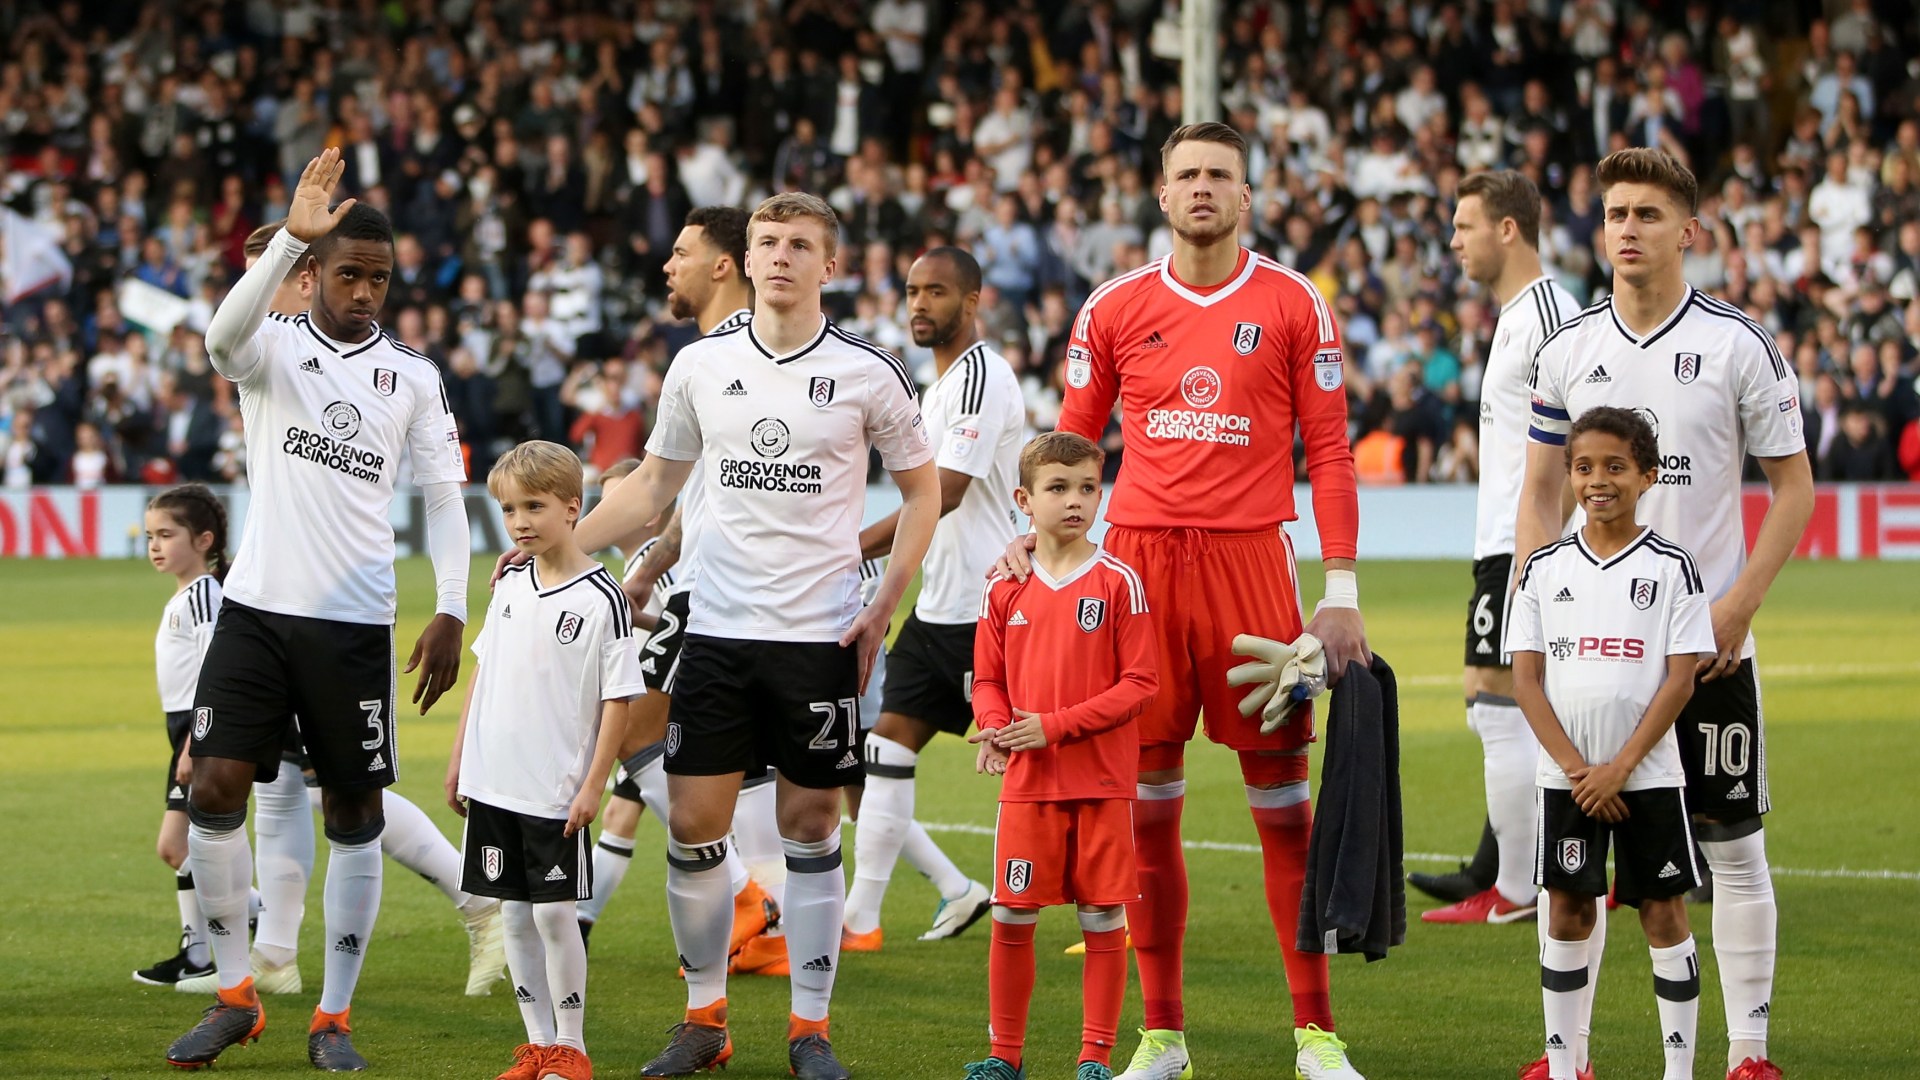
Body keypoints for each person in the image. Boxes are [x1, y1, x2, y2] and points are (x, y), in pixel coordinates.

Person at [537, 192, 939, 1080]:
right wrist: (560, 547)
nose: (783, 257)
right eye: (769, 243)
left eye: (802, 244)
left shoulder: (871, 373)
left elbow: (922, 492)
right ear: (747, 260)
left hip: (818, 637)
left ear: (830, 266)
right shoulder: (700, 367)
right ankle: (705, 1017)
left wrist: (887, 600)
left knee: (807, 822)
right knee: (691, 824)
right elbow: (649, 489)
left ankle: (810, 1031)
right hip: (715, 632)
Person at [1001, 122, 1369, 1080]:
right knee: (1147, 817)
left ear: (1246, 197)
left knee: (1283, 812)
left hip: (1254, 571)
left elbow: (1329, 451)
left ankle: (1317, 1039)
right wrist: (1037, 540)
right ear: (1161, 195)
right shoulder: (1115, 305)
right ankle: (1162, 1039)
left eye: (1221, 175)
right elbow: (1071, 444)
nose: (1203, 188)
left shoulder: (1295, 304)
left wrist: (1341, 593)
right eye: (1187, 175)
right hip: (1141, 575)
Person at [165, 150, 472, 1072]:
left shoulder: (414, 376)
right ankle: (233, 995)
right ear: (315, 270)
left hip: (352, 624)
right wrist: (284, 243)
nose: (366, 291)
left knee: (353, 811)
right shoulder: (275, 346)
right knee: (213, 789)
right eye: (348, 272)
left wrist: (453, 608)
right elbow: (220, 342)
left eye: (379, 277)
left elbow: (445, 499)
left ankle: (332, 1018)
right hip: (256, 613)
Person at [1519, 147, 1813, 1080]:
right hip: (1591, 658)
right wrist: (1536, 597)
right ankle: (1570, 1058)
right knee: (1575, 865)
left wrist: (1737, 605)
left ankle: (1748, 1054)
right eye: (1616, 214)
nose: (1629, 231)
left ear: (1687, 230)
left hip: (1710, 650)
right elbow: (1538, 494)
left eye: (1648, 214)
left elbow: (1794, 487)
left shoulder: (1738, 344)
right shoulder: (1568, 349)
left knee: (1731, 844)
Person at [577, 207, 784, 974]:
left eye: (681, 253)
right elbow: (688, 499)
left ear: (722, 266)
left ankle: (749, 898)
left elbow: (653, 489)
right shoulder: (718, 356)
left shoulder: (728, 356)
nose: (667, 267)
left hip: (729, 595)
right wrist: (648, 568)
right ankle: (754, 912)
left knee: (629, 733)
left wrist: (559, 550)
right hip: (709, 587)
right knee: (664, 750)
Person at [1509, 407, 1717, 1080]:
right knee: (1567, 912)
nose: (1598, 480)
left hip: (1648, 775)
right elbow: (1527, 681)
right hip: (1566, 780)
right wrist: (1577, 770)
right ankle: (1567, 1066)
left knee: (1662, 912)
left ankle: (1678, 1071)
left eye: (1615, 467)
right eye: (1583, 467)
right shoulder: (1541, 569)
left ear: (1648, 476)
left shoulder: (1672, 568)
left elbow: (1681, 681)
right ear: (1569, 476)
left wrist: (1620, 767)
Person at [446, 441, 645, 1080]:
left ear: (571, 506)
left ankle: (572, 1048)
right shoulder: (508, 580)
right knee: (513, 913)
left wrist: (595, 784)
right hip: (494, 779)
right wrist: (459, 761)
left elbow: (619, 698)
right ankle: (536, 1045)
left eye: (534, 506)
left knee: (556, 914)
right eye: (509, 510)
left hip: (556, 787)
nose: (521, 521)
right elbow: (484, 669)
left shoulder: (602, 596)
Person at [1417, 171, 1584, 928]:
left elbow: (1590, 434)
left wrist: (1543, 551)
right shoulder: (1515, 315)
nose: (1454, 241)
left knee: (1498, 700)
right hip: (1502, 544)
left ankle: (1521, 888)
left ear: (1508, 229)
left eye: (1464, 225)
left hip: (1530, 548)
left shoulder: (1549, 311)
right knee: (1495, 700)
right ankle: (1521, 880)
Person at [842, 246, 1020, 951]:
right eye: (913, 290)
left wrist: (851, 548)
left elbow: (945, 492)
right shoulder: (935, 387)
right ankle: (860, 920)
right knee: (885, 750)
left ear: (972, 301)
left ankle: (1112, 907)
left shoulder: (981, 376)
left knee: (1037, 760)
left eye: (937, 291)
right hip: (941, 606)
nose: (919, 303)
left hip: (993, 608)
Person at [964, 432, 1157, 1080]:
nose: (1075, 501)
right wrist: (994, 727)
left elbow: (1140, 684)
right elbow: (987, 680)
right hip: (1028, 785)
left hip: (1102, 782)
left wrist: (1054, 726)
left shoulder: (1120, 582)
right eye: (1058, 488)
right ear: (1024, 499)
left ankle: (1094, 1059)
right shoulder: (1002, 589)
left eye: (1087, 488)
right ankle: (1003, 1056)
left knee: (1102, 915)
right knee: (1013, 912)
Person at [132, 484, 228, 987]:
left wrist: (194, 743)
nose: (155, 545)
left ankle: (214, 938)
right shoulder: (187, 595)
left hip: (198, 729)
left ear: (203, 539)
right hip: (185, 730)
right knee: (183, 845)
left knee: (176, 845)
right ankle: (202, 947)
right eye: (150, 536)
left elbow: (215, 672)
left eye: (167, 534)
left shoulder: (205, 595)